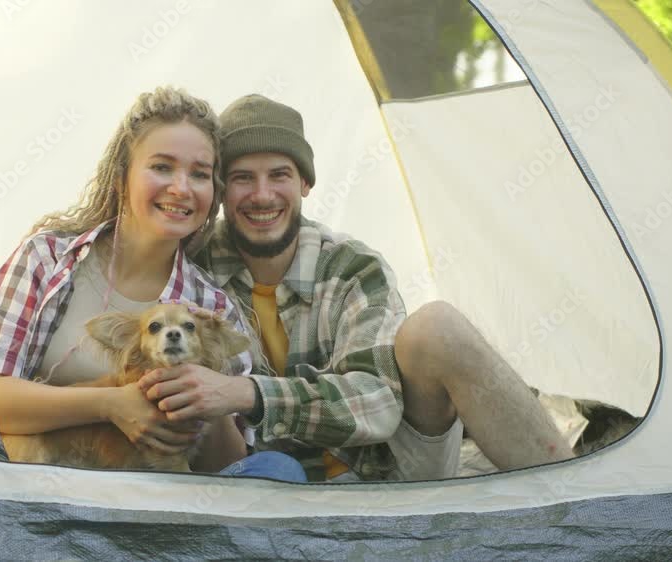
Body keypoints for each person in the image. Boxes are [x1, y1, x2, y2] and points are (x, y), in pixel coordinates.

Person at [137, 94, 574, 481]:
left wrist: (247, 394)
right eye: (242, 178)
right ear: (220, 192)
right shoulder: (192, 269)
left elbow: (378, 404)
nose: (262, 195)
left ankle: (576, 498)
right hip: (262, 478)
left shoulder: (352, 268)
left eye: (280, 175)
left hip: (383, 472)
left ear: (305, 183)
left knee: (437, 327)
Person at [0, 87, 306, 483]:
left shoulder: (210, 306)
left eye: (199, 174)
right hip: (40, 486)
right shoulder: (47, 259)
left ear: (212, 194)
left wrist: (209, 387)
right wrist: (110, 403)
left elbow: (223, 470)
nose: (181, 188)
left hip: (156, 503)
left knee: (276, 469)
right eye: (162, 167)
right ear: (121, 179)